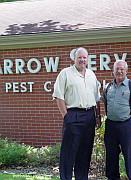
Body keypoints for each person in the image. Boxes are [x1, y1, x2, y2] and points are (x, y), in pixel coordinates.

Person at [52, 47, 101, 180]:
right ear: (74, 58)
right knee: (69, 152)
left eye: (84, 57)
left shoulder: (92, 74)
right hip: (73, 115)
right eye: (79, 57)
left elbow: (97, 98)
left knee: (85, 152)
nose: (82, 60)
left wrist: (97, 116)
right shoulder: (65, 73)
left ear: (88, 59)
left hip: (90, 115)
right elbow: (58, 96)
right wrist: (66, 116)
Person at [103, 60, 131, 180]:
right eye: (117, 69)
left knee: (130, 155)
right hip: (111, 125)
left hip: (128, 124)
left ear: (126, 71)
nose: (119, 71)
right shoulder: (108, 87)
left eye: (122, 69)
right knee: (111, 155)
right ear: (113, 71)